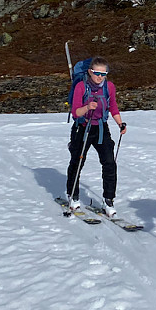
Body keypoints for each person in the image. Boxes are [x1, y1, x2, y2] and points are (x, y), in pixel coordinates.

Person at [66, 57, 126, 216]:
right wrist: (87, 107)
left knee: (109, 163)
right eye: (96, 73)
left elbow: (113, 106)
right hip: (83, 127)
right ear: (90, 72)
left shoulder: (109, 87)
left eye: (103, 73)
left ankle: (109, 200)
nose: (100, 76)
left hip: (101, 128)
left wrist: (120, 123)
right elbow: (75, 112)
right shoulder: (81, 86)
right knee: (78, 162)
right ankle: (73, 196)